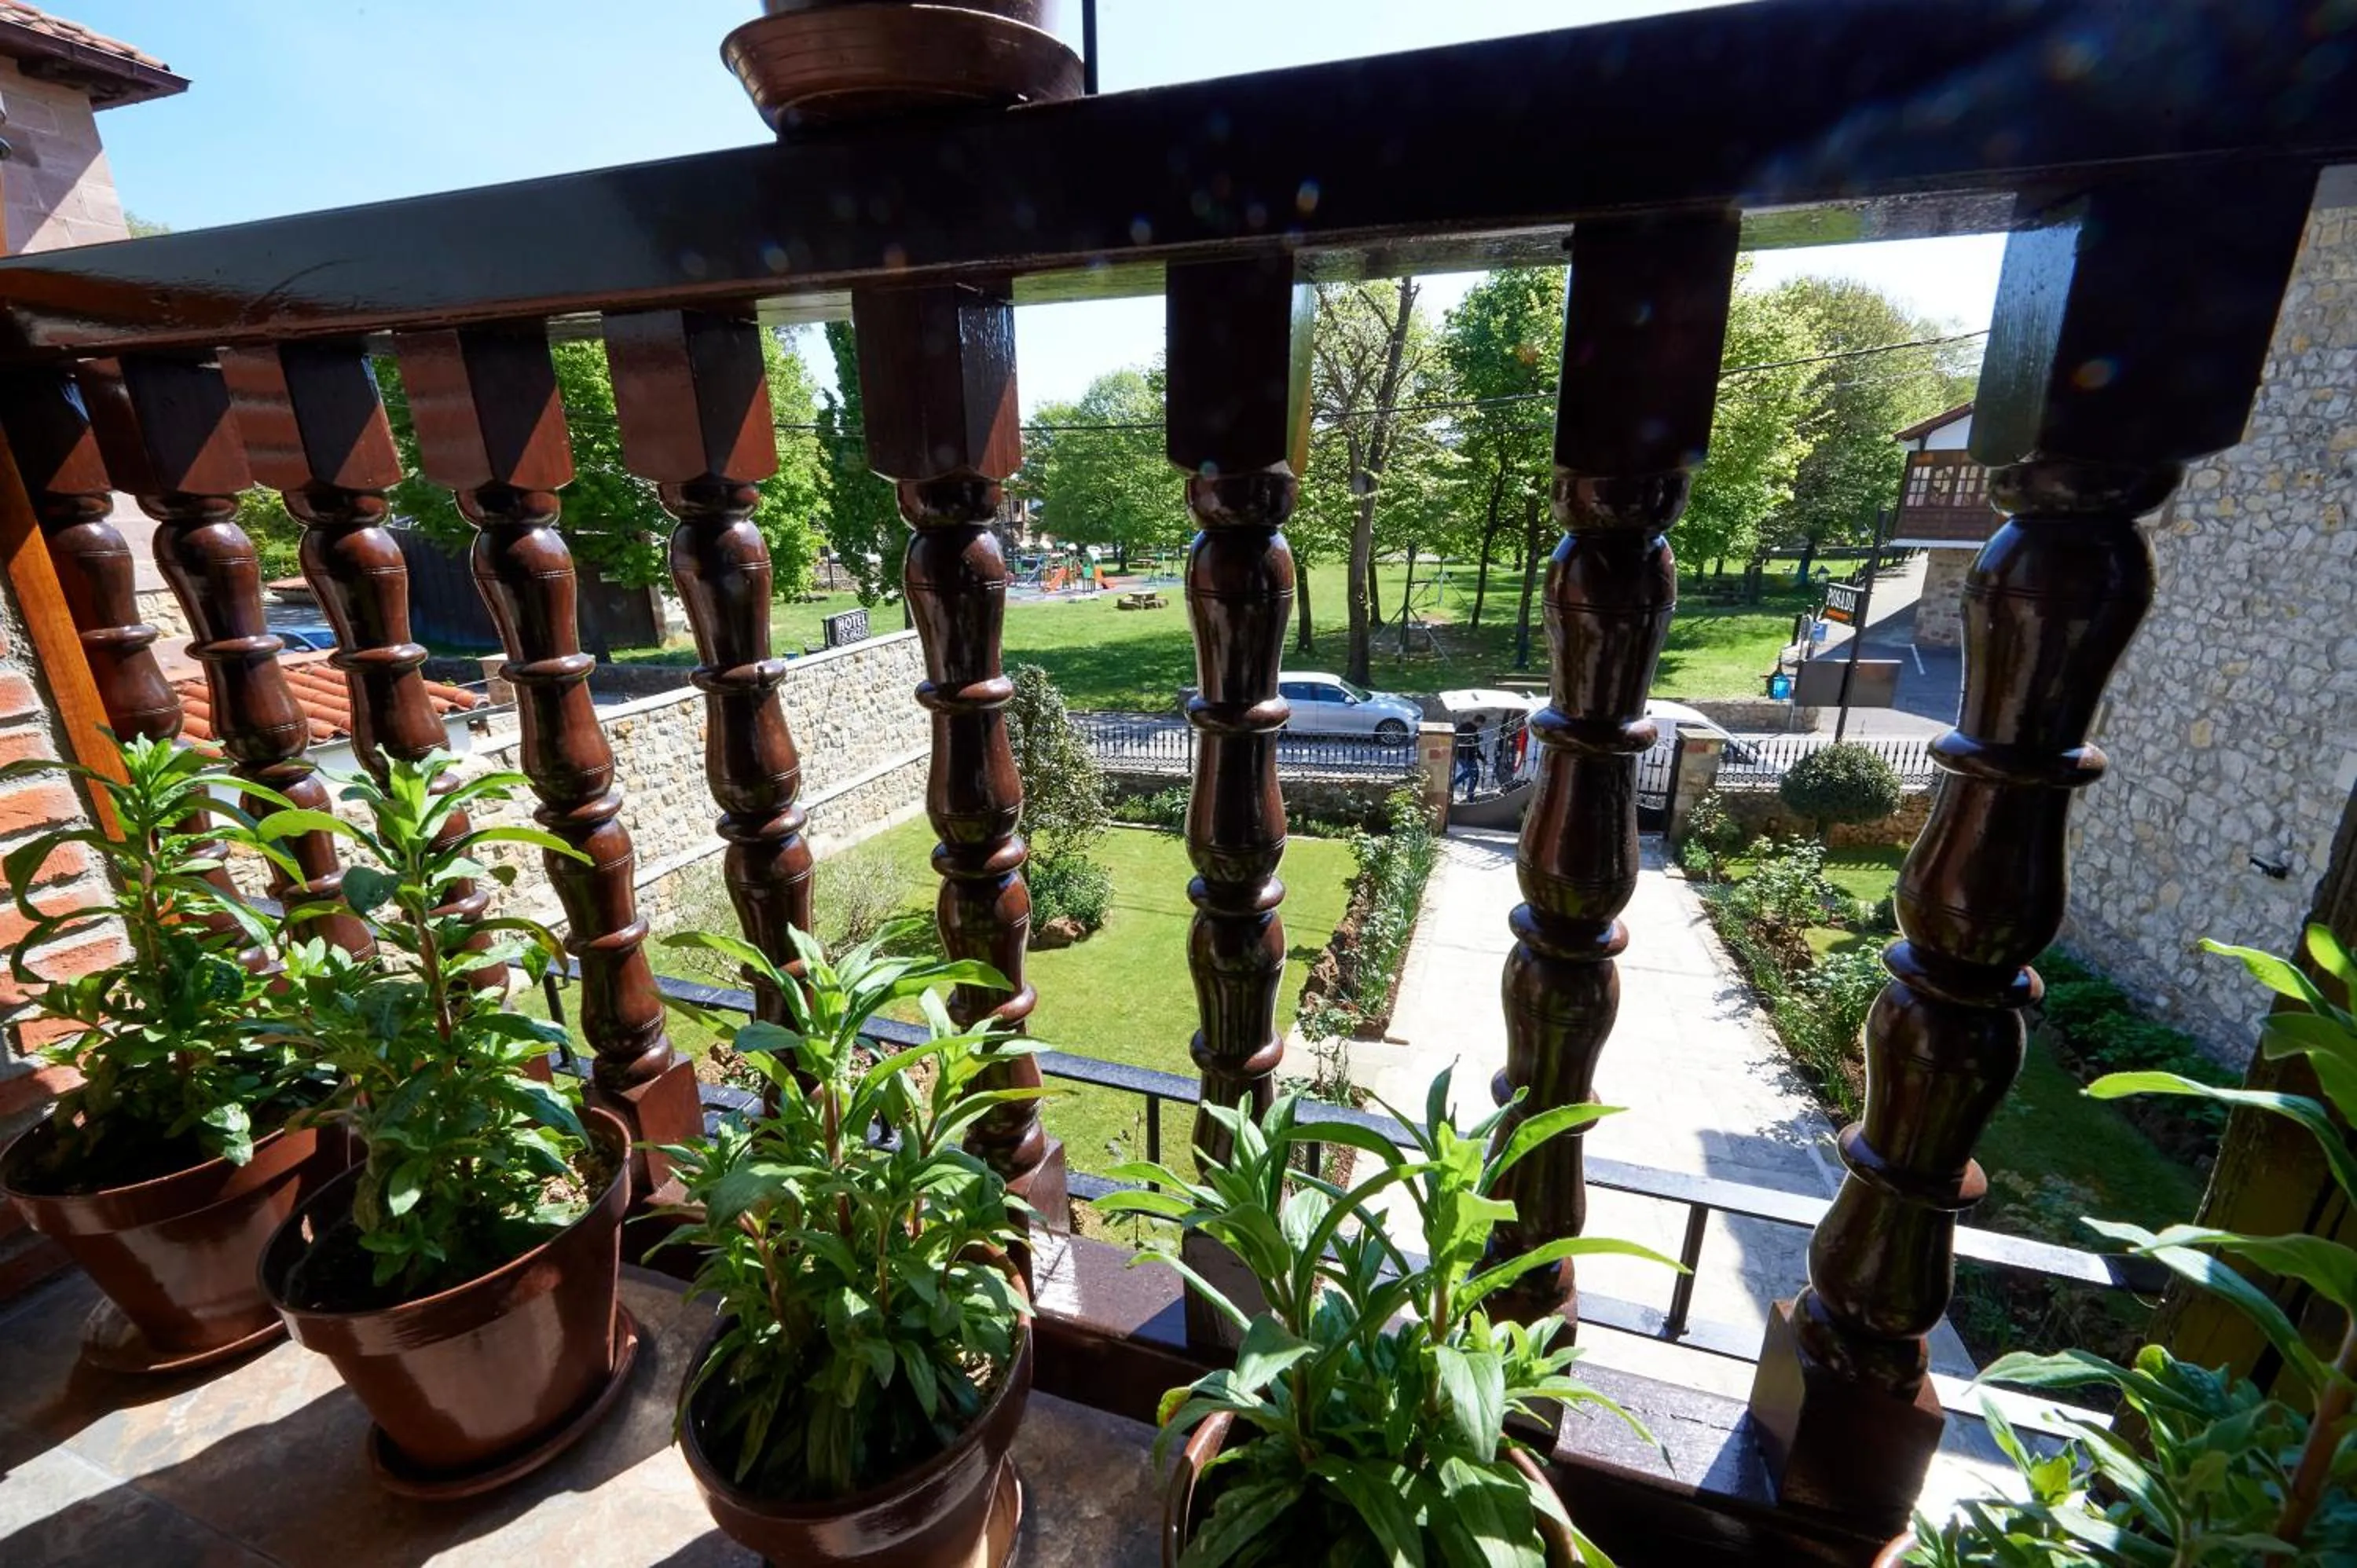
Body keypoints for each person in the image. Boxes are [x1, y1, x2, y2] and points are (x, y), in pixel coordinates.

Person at [1453, 720, 1483, 800]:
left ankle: (1453, 785)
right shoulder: (1473, 732)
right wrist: (1482, 758)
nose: (1481, 726)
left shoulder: (1463, 726)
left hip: (1459, 755)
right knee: (1473, 774)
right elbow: (1474, 748)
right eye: (1482, 724)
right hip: (1468, 757)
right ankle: (1470, 797)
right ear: (1480, 722)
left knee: (1470, 773)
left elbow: (1456, 738)